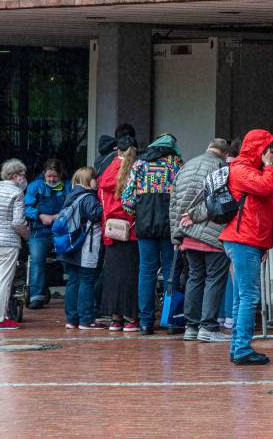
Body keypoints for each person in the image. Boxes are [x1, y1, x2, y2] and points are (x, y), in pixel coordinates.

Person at [219, 129, 273, 365]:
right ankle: (242, 348)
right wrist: (269, 166)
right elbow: (265, 187)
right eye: (268, 148)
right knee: (248, 296)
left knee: (241, 297)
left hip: (246, 239)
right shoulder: (242, 169)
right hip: (243, 239)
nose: (272, 153)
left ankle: (238, 346)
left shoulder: (246, 168)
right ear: (258, 149)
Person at [169, 138, 231, 343]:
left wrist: (176, 235)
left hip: (187, 234)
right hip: (212, 234)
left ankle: (191, 327)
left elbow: (174, 203)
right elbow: (218, 201)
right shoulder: (220, 167)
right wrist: (197, 215)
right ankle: (208, 327)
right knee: (214, 278)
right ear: (224, 152)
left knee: (194, 278)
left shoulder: (186, 166)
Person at [121, 133, 182, 335]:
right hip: (169, 227)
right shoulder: (175, 164)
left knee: (146, 271)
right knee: (169, 273)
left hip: (145, 226)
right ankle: (170, 319)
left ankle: (146, 322)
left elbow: (127, 201)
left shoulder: (140, 164)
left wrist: (139, 213)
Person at [99, 137, 140, 332]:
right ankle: (131, 317)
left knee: (113, 275)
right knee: (131, 275)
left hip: (111, 230)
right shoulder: (136, 169)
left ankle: (115, 318)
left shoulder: (108, 170)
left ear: (117, 151)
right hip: (131, 231)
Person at [59, 167, 104, 330]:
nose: (97, 182)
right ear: (88, 180)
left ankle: (72, 319)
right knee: (87, 280)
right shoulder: (88, 198)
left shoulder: (70, 196)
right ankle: (86, 319)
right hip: (86, 246)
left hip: (70, 245)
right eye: (95, 179)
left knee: (73, 281)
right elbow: (97, 215)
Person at [23, 158, 70, 309]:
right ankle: (37, 296)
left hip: (61, 231)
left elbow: (73, 206)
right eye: (49, 175)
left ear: (61, 174)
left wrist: (57, 217)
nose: (51, 179)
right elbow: (26, 207)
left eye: (55, 176)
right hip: (39, 232)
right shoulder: (35, 186)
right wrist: (40, 215)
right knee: (36, 258)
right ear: (44, 173)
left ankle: (71, 294)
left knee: (69, 258)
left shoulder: (67, 187)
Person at [0, 159, 29, 330]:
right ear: (15, 176)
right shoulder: (16, 193)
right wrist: (27, 235)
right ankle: (0, 319)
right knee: (4, 282)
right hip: (7, 242)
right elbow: (18, 223)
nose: (24, 178)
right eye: (22, 175)